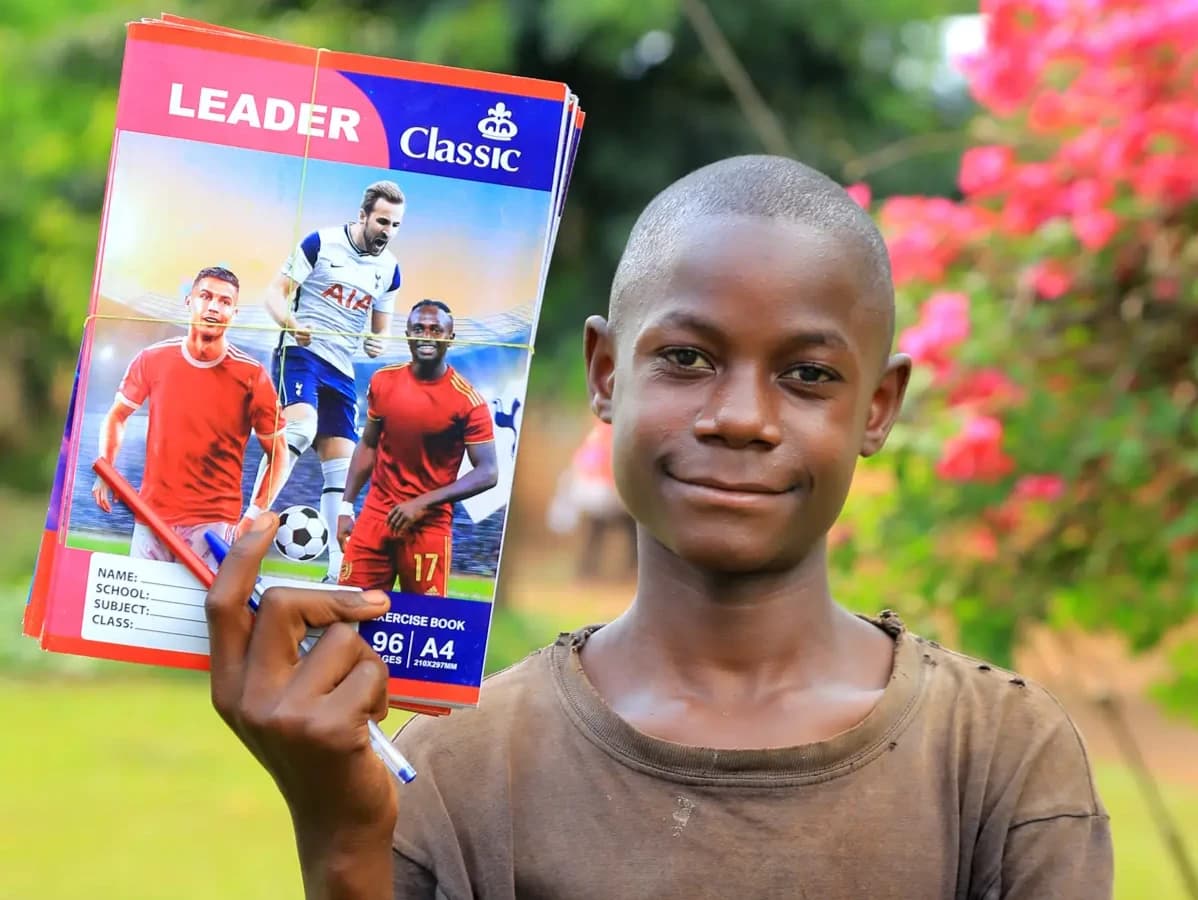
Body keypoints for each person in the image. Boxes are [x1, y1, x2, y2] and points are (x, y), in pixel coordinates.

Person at [203, 156, 1113, 899]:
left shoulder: (997, 760)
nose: (743, 417)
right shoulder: (458, 768)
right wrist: (342, 842)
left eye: (809, 376)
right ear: (605, 374)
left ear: (877, 408)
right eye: (686, 358)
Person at [248, 180, 405, 582]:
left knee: (344, 470)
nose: (387, 231)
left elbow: (380, 333)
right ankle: (246, 528)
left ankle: (338, 570)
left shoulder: (389, 270)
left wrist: (376, 344)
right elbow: (273, 295)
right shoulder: (321, 243)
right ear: (363, 216)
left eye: (395, 225)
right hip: (299, 353)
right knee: (301, 427)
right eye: (382, 221)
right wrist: (292, 324)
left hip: (340, 371)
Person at [92, 266, 286, 567]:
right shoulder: (152, 360)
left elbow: (279, 453)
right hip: (151, 519)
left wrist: (252, 516)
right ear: (189, 302)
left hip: (214, 526)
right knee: (144, 611)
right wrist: (106, 468)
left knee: (197, 614)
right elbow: (117, 415)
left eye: (224, 301)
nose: (213, 307)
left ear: (233, 313)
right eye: (205, 296)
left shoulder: (252, 376)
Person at [336, 299, 499, 595]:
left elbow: (488, 472)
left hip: (428, 527)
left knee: (423, 626)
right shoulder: (383, 380)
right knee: (347, 613)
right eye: (419, 328)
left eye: (436, 329)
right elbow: (369, 444)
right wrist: (346, 506)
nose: (426, 335)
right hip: (376, 517)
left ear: (450, 337)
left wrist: (422, 503)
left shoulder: (468, 401)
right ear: (408, 333)